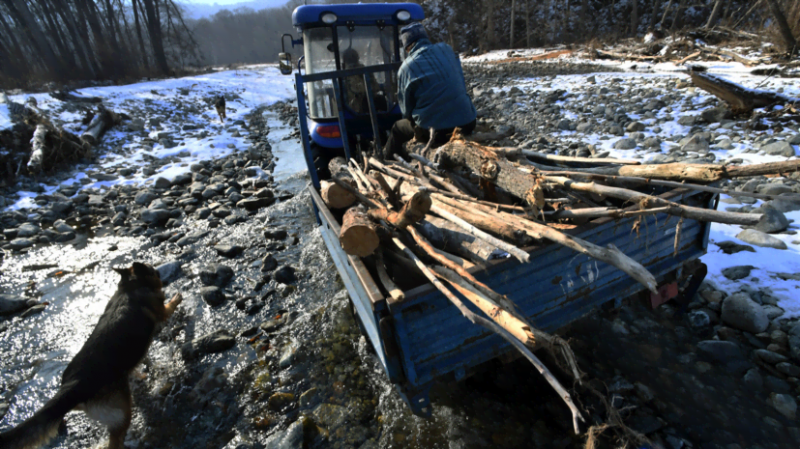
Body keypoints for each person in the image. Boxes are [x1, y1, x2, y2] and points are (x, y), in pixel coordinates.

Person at [384, 22, 477, 158]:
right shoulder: (446, 50)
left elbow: (406, 111)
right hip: (468, 122)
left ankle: (388, 163)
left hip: (434, 131)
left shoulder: (406, 68)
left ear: (407, 47)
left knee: (397, 128)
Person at [341, 47, 381, 114]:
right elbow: (376, 87)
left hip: (357, 110)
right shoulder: (365, 71)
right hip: (366, 108)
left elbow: (374, 87)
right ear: (358, 58)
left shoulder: (345, 74)